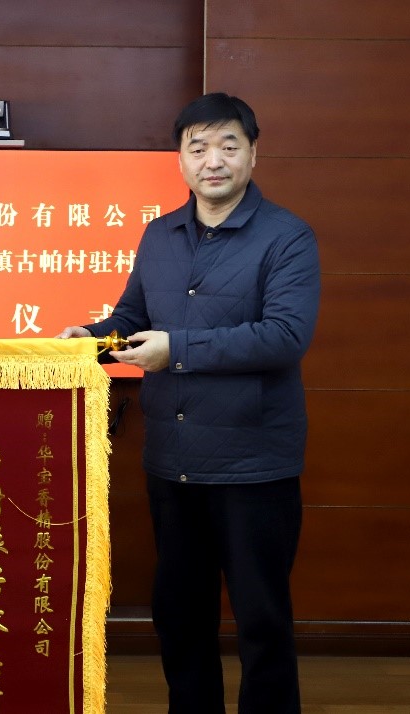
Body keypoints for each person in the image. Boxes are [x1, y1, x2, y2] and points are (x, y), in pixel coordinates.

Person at [57, 92, 320, 713]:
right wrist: (91, 339)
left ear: (253, 154)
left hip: (254, 464)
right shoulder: (160, 235)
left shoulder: (287, 237)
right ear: (180, 159)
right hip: (173, 461)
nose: (213, 161)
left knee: (261, 620)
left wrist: (175, 349)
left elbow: (285, 336)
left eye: (228, 145)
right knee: (180, 616)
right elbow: (132, 317)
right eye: (198, 148)